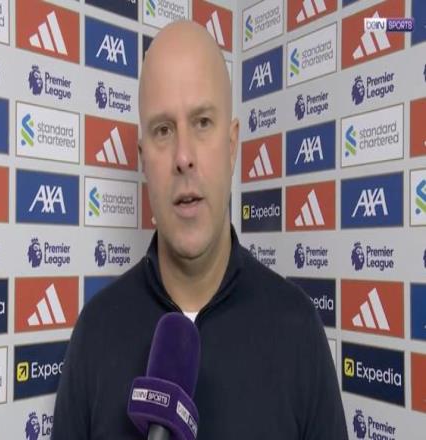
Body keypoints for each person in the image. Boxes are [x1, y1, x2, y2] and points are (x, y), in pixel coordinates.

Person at [52, 20, 348, 439]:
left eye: (203, 122)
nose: (183, 156)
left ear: (232, 146)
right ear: (143, 159)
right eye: (163, 130)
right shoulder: (94, 333)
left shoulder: (298, 330)